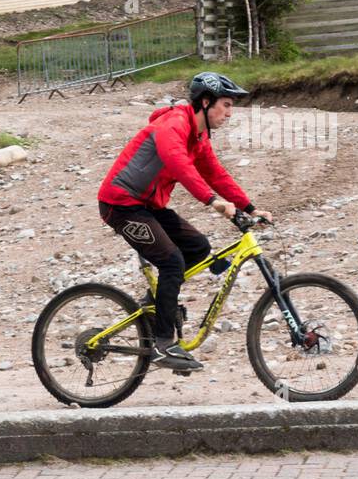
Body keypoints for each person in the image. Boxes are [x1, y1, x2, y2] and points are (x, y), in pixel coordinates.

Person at [97, 71, 273, 370]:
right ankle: (164, 345)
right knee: (172, 262)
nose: (230, 114)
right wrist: (214, 202)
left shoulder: (199, 135)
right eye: (226, 105)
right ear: (206, 102)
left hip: (149, 207)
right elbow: (180, 166)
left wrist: (250, 207)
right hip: (121, 205)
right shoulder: (173, 125)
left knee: (198, 247)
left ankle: (154, 306)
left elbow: (215, 173)